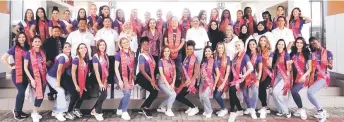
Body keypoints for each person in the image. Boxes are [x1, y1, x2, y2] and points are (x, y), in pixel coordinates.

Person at [1, 32, 30, 120]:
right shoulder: (14, 48)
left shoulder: (27, 48)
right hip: (17, 73)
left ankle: (20, 110)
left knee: (22, 93)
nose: (22, 39)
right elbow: (3, 58)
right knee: (21, 92)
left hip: (25, 73)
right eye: (20, 37)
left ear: (25, 38)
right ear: (17, 39)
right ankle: (16, 111)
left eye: (23, 37)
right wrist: (10, 67)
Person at [308, 37, 333, 122]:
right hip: (314, 77)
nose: (314, 45)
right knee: (309, 95)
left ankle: (320, 111)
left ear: (319, 41)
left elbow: (331, 67)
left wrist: (327, 63)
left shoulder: (328, 53)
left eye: (315, 43)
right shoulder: (313, 54)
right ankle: (321, 109)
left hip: (323, 77)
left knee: (310, 92)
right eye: (312, 44)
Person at [228, 40, 253, 122]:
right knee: (231, 91)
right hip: (234, 78)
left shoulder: (245, 56)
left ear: (243, 46)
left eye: (239, 45)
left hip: (241, 79)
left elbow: (251, 68)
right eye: (236, 45)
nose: (237, 47)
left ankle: (233, 111)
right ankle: (238, 109)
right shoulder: (235, 56)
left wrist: (244, 75)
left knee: (232, 90)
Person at [23, 36, 47, 122]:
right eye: (35, 41)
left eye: (38, 41)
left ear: (41, 43)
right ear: (32, 43)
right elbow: (25, 67)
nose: (37, 43)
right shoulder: (28, 53)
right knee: (39, 95)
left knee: (41, 95)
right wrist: (31, 79)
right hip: (33, 76)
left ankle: (35, 112)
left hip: (43, 76)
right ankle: (34, 112)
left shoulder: (42, 53)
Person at [94, 17, 119, 98]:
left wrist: (115, 51)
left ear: (111, 23)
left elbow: (117, 43)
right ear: (103, 23)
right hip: (102, 57)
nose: (107, 23)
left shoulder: (114, 32)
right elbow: (97, 43)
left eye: (109, 21)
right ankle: (102, 93)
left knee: (111, 74)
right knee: (102, 74)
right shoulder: (99, 32)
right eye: (106, 21)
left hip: (111, 56)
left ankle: (111, 95)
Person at [46, 42, 71, 121]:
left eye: (69, 46)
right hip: (51, 77)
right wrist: (58, 83)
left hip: (57, 77)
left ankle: (55, 110)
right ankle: (59, 113)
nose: (67, 48)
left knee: (64, 92)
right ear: (62, 49)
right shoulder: (62, 57)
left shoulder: (68, 57)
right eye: (65, 47)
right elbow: (59, 71)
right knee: (60, 91)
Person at [136, 37, 159, 118]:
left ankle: (142, 108)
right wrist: (152, 81)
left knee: (155, 91)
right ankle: (146, 108)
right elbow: (142, 71)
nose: (146, 45)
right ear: (141, 45)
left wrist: (154, 79)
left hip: (149, 76)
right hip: (142, 77)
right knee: (154, 92)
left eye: (147, 44)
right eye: (144, 44)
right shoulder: (141, 56)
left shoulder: (149, 55)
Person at [289, 37, 312, 120]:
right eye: (297, 42)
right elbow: (289, 66)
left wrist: (304, 75)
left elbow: (310, 68)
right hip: (293, 76)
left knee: (294, 91)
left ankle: (302, 109)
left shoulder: (307, 53)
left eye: (301, 43)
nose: (299, 44)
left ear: (303, 44)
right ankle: (299, 108)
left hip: (302, 76)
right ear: (295, 43)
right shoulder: (292, 53)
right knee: (293, 92)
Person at [176, 40, 200, 116]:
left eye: (191, 49)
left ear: (193, 50)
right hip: (186, 81)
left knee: (179, 97)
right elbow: (183, 71)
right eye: (188, 49)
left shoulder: (195, 58)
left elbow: (197, 72)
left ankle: (194, 108)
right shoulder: (186, 58)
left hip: (191, 82)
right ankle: (191, 107)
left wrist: (191, 81)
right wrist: (183, 81)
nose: (189, 50)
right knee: (179, 95)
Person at [115, 37, 136, 120]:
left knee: (127, 94)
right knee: (127, 93)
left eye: (127, 42)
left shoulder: (132, 53)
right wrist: (120, 80)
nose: (126, 43)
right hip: (120, 76)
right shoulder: (118, 54)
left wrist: (132, 79)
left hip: (129, 77)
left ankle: (120, 109)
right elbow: (116, 68)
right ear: (121, 45)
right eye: (123, 42)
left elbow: (132, 68)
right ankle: (124, 112)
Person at [271, 39, 292, 118]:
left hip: (284, 77)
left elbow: (288, 67)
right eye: (279, 44)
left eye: (282, 44)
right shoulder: (275, 54)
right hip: (277, 76)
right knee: (274, 93)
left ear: (284, 46)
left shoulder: (286, 55)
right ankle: (280, 110)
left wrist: (287, 77)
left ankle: (286, 111)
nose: (280, 46)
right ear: (277, 45)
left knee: (276, 92)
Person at [68, 43, 90, 119]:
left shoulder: (86, 58)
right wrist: (76, 85)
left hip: (83, 80)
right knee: (75, 96)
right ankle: (69, 111)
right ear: (78, 50)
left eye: (85, 47)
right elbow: (73, 72)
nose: (83, 49)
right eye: (81, 48)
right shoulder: (76, 59)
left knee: (84, 95)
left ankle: (76, 109)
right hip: (74, 81)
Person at [243, 39, 262, 119]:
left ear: (256, 45)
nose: (252, 46)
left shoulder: (258, 56)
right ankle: (249, 107)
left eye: (253, 44)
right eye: (250, 44)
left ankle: (253, 109)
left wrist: (258, 80)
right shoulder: (245, 54)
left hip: (254, 76)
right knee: (245, 93)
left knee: (255, 92)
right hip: (245, 75)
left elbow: (260, 69)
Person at [164, 16, 185, 87]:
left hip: (178, 52)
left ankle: (176, 84)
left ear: (178, 22)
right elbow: (165, 41)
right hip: (168, 53)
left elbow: (182, 42)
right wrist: (170, 49)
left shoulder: (181, 30)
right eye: (173, 21)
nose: (174, 22)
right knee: (169, 68)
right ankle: (169, 83)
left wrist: (177, 49)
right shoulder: (167, 30)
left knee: (178, 68)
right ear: (170, 22)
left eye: (176, 21)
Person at [90, 40, 109, 121]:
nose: (102, 46)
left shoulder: (106, 55)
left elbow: (106, 69)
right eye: (100, 45)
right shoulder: (95, 56)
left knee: (104, 94)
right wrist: (100, 83)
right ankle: (98, 111)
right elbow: (96, 71)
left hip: (104, 78)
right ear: (97, 46)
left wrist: (105, 80)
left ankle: (95, 110)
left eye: (103, 45)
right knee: (104, 94)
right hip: (96, 78)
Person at [157, 46, 177, 117]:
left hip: (170, 82)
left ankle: (161, 107)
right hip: (163, 83)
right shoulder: (161, 61)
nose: (166, 53)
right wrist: (168, 85)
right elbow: (162, 74)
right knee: (173, 95)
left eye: (168, 51)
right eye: (165, 51)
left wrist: (173, 84)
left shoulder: (172, 61)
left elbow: (175, 73)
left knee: (173, 95)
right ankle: (168, 110)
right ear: (162, 52)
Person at [199, 46, 218, 118]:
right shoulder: (203, 61)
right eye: (206, 51)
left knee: (205, 96)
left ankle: (209, 110)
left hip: (210, 82)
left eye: (209, 51)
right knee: (201, 97)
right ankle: (206, 109)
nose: (207, 52)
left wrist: (214, 85)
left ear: (211, 52)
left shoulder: (214, 61)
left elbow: (218, 74)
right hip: (202, 81)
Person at [257, 36, 273, 118]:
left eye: (264, 41)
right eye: (261, 40)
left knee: (263, 87)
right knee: (259, 90)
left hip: (267, 73)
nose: (262, 42)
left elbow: (271, 65)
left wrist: (266, 60)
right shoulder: (257, 50)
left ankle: (264, 107)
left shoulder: (270, 52)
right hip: (259, 72)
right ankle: (265, 107)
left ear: (267, 42)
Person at [214, 42, 231, 117]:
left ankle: (224, 109)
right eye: (219, 47)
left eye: (221, 47)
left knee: (217, 96)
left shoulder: (227, 58)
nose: (220, 49)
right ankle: (222, 108)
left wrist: (223, 83)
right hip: (216, 80)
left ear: (224, 48)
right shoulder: (215, 57)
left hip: (224, 80)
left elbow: (227, 72)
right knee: (215, 95)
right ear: (217, 49)